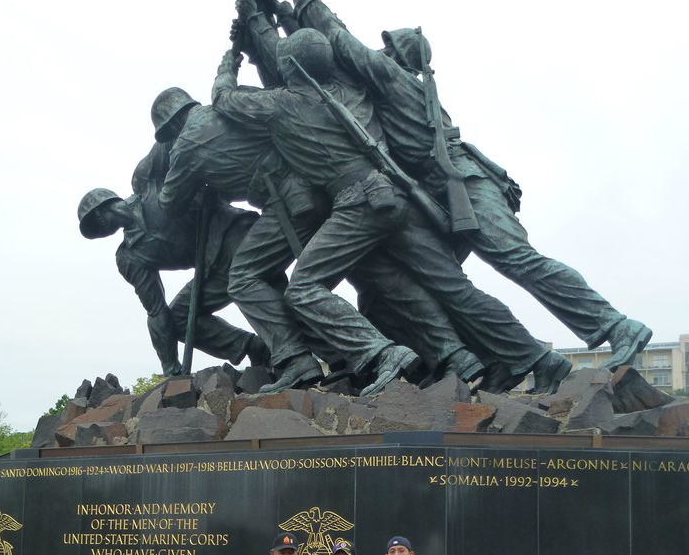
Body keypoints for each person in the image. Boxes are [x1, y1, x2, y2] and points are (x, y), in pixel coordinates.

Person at [264, 0, 652, 377]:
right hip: (437, 195)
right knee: (441, 289)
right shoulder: (387, 86)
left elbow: (338, 40)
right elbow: (326, 62)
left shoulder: (391, 78)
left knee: (516, 260)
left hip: (463, 182)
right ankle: (512, 361)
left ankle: (614, 325)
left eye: (385, 47)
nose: (377, 52)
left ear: (397, 56)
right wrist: (285, 14)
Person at [212, 30, 566, 393]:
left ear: (289, 66)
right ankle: (534, 357)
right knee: (455, 289)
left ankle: (382, 354)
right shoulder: (354, 91)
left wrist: (228, 65)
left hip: (358, 203)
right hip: (399, 197)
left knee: (303, 288)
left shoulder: (279, 104)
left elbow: (223, 99)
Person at [77, 186, 266, 376]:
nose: (98, 230)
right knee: (179, 318)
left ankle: (282, 344)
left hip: (234, 233)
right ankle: (255, 347)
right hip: (213, 268)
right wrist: (171, 367)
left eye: (93, 222)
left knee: (247, 281)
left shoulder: (151, 185)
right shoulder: (129, 257)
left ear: (101, 207)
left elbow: (192, 168)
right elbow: (156, 311)